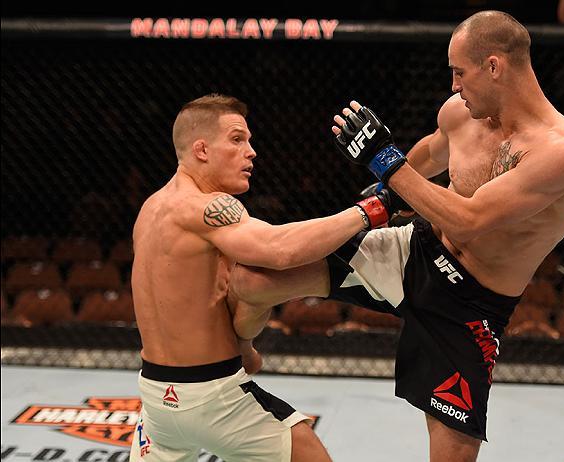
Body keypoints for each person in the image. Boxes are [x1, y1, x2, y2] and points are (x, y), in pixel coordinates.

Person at [231, 10, 564, 462]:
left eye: (460, 72)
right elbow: (428, 155)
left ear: (494, 66)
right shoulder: (461, 114)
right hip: (416, 247)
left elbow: (469, 219)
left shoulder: (562, 151)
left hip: (470, 302)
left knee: (451, 457)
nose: (454, 86)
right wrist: (385, 188)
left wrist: (385, 160)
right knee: (251, 279)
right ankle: (236, 359)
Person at [128, 93, 395, 461]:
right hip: (211, 396)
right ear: (201, 150)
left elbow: (204, 297)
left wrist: (244, 348)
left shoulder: (152, 208)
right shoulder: (206, 207)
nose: (251, 151)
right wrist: (373, 210)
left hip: (156, 401)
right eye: (237, 139)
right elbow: (278, 250)